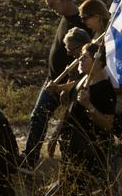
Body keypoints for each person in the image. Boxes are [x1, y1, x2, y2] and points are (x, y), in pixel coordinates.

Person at [20, 0, 86, 170]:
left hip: (67, 82)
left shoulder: (81, 22)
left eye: (52, 4)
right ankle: (29, 159)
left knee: (65, 122)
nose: (51, 9)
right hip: (53, 79)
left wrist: (68, 84)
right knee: (38, 116)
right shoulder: (66, 16)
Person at [49, 42, 115, 195]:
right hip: (71, 149)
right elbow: (69, 111)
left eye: (85, 58)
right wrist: (56, 134)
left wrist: (88, 105)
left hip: (90, 153)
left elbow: (107, 124)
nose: (80, 60)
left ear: (98, 63)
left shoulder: (105, 89)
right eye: (80, 57)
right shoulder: (83, 81)